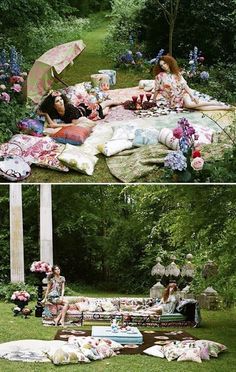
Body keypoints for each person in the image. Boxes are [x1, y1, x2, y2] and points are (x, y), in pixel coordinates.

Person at [152, 55, 233, 111]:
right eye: (161, 65)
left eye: (165, 63)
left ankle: (217, 104)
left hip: (182, 95)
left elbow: (185, 85)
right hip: (173, 101)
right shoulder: (159, 76)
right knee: (197, 108)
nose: (163, 66)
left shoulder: (176, 74)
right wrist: (153, 101)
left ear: (169, 63)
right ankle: (222, 107)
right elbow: (156, 89)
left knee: (190, 105)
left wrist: (192, 96)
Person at [38, 90, 122, 128]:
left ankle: (119, 102)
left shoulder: (69, 109)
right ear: (53, 106)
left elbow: (74, 124)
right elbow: (51, 123)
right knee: (103, 110)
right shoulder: (55, 111)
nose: (61, 102)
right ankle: (108, 104)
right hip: (81, 110)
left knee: (104, 108)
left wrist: (56, 125)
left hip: (87, 111)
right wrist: (46, 114)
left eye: (61, 99)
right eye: (57, 101)